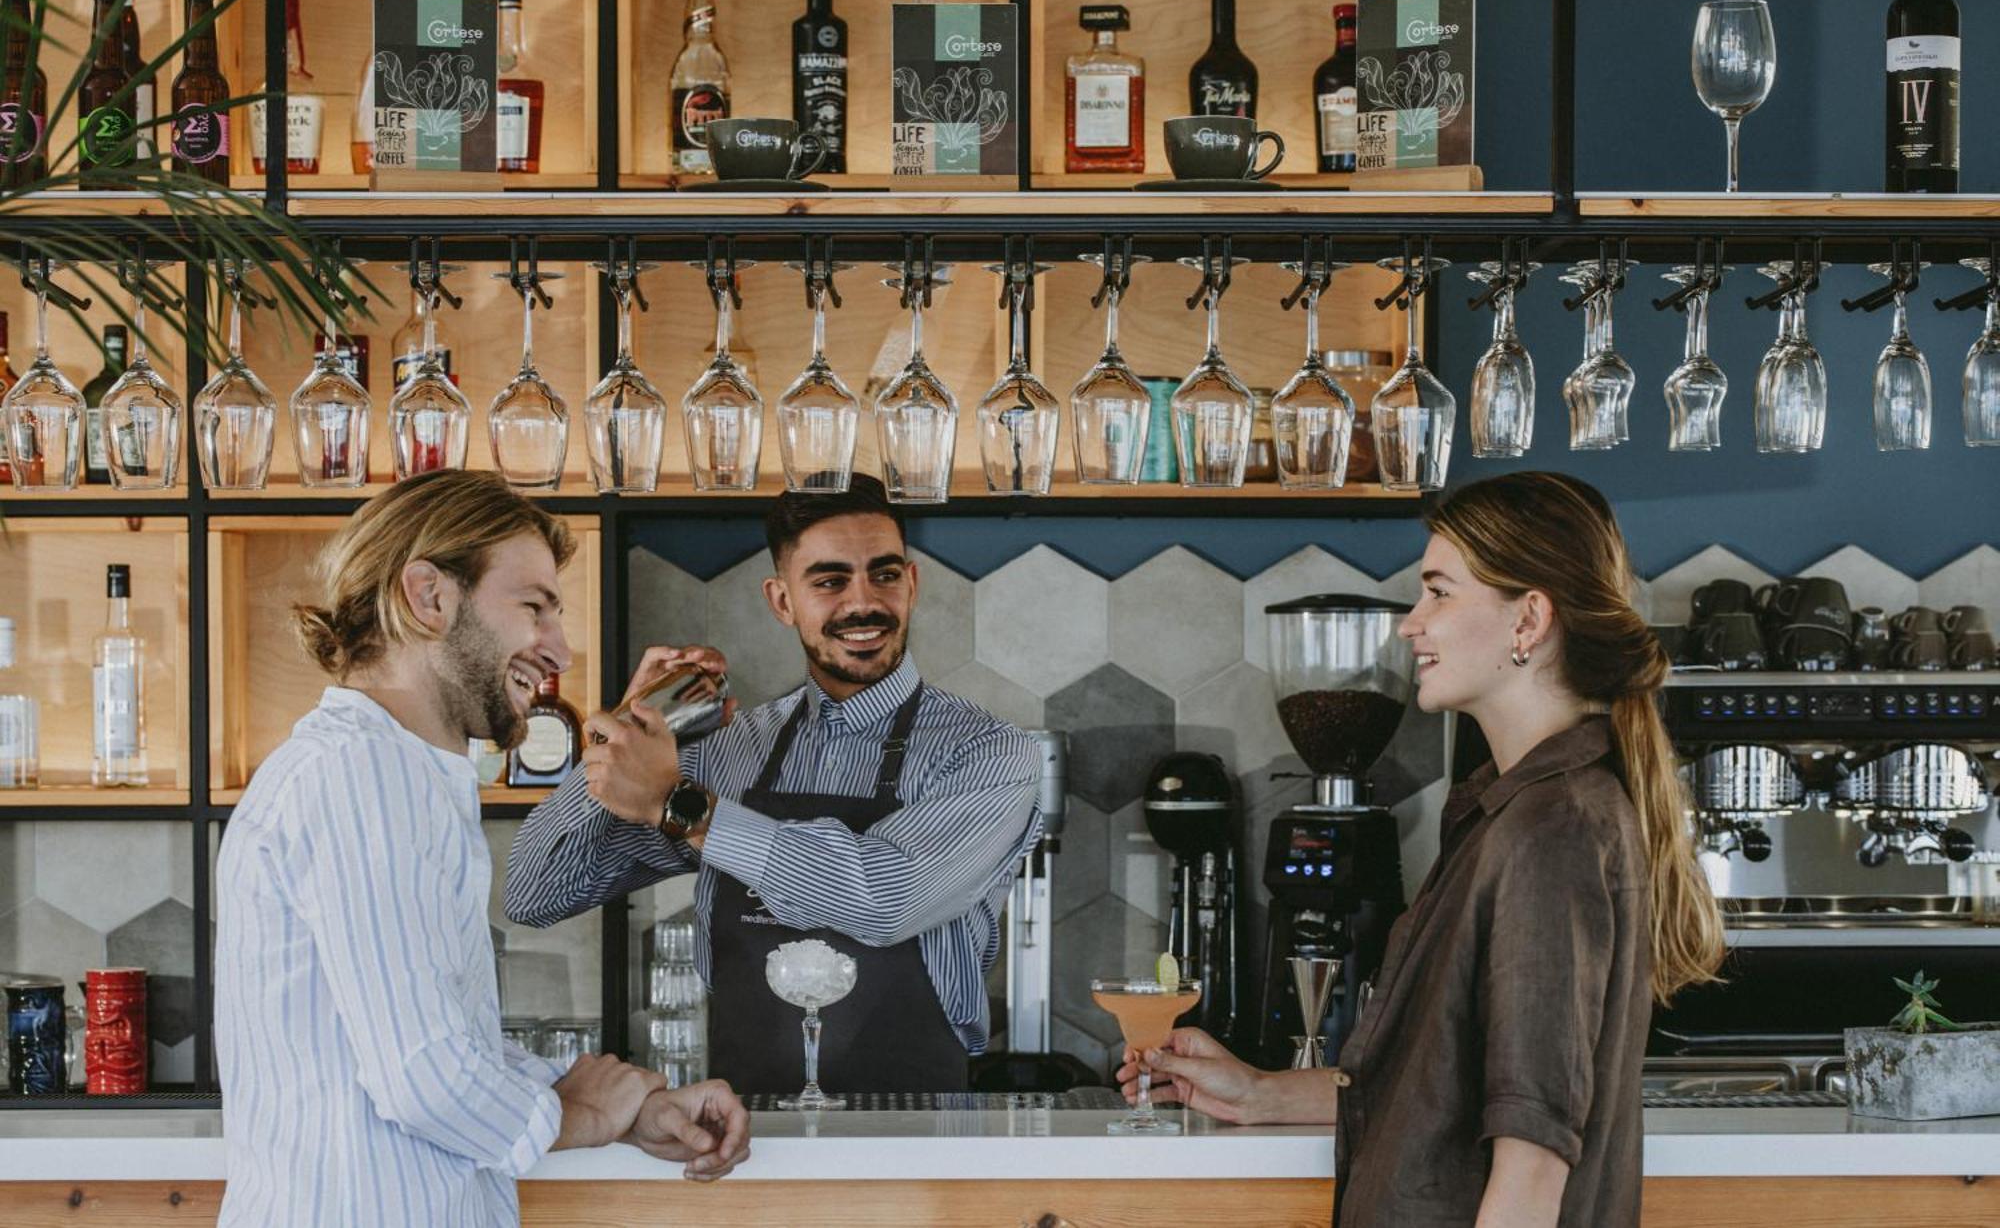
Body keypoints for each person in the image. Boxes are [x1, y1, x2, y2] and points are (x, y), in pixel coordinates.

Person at [1117, 471, 1725, 1227]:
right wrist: (1260, 1090)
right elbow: (1431, 1091)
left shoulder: (1553, 829)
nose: (1411, 624)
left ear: (1527, 621)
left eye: (1439, 592)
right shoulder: (1509, 813)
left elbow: (1530, 1166)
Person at [214, 471, 750, 1228]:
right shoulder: (361, 775)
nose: (558, 648)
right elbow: (425, 1076)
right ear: (428, 597)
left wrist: (628, 1108)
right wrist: (581, 1113)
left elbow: (447, 1045)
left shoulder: (395, 775)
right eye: (533, 606)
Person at [506, 474, 1042, 1094]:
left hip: (916, 1128)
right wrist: (624, 733)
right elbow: (534, 893)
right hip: (741, 1129)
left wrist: (681, 807)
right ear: (782, 601)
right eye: (829, 580)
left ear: (912, 585)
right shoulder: (732, 752)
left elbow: (885, 899)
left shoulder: (989, 752)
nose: (863, 602)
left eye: (885, 574)